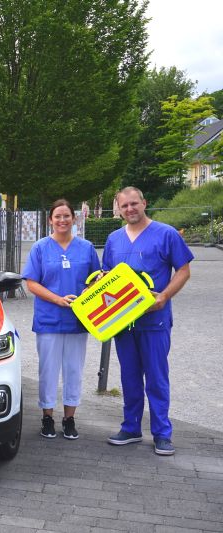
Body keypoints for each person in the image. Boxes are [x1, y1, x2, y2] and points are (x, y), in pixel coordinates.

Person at [103, 186, 192, 456]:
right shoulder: (114, 239)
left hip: (155, 321)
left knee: (156, 377)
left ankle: (162, 433)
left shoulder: (165, 234)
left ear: (144, 202)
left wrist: (164, 296)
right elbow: (107, 274)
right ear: (118, 209)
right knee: (129, 377)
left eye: (134, 204)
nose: (130, 209)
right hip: (124, 322)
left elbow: (184, 270)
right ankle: (130, 428)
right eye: (124, 206)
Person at [22, 199, 100, 440]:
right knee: (48, 370)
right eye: (58, 216)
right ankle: (47, 417)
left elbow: (96, 279)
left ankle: (69, 418)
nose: (62, 220)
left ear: (73, 219)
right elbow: (32, 282)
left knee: (73, 370)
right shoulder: (40, 248)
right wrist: (57, 299)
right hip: (49, 320)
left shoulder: (86, 248)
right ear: (50, 220)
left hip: (78, 321)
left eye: (67, 216)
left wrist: (88, 294)